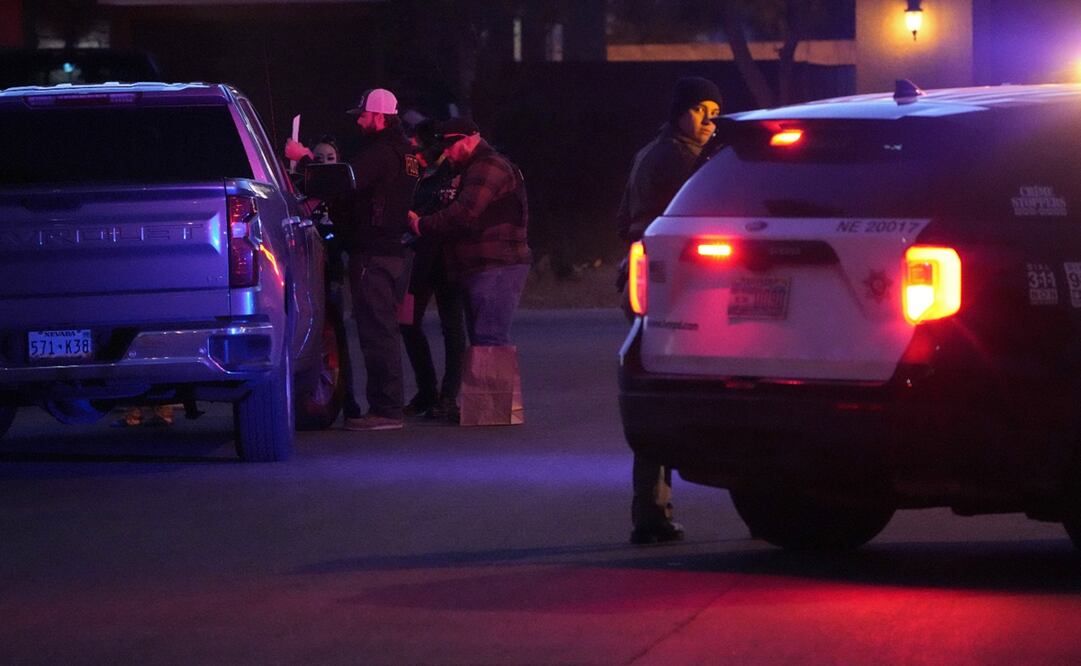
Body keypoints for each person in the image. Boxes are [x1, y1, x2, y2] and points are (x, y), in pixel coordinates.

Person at [616, 76, 722, 545]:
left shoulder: (647, 153)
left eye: (714, 111)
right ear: (680, 111)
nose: (708, 120)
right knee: (672, 398)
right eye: (699, 109)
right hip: (674, 286)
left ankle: (651, 509)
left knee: (657, 389)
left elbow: (623, 221)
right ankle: (653, 511)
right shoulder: (680, 159)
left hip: (649, 279)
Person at [288, 88, 419, 431]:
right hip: (395, 252)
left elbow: (341, 181)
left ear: (378, 116)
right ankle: (387, 406)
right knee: (385, 330)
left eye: (363, 115)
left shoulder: (380, 153)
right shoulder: (405, 153)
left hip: (373, 254)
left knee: (376, 332)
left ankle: (386, 411)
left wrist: (303, 159)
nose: (359, 121)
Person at [408, 118, 531, 349]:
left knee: (489, 340)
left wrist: (421, 225)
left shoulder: (488, 167)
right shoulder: (475, 168)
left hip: (496, 265)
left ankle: (492, 386)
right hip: (487, 265)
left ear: (466, 140)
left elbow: (464, 212)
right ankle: (487, 385)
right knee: (484, 340)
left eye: (449, 147)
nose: (448, 154)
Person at [285, 133, 365, 422]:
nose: (324, 165)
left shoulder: (341, 194)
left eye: (330, 159)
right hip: (301, 278)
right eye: (318, 160)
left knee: (336, 339)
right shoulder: (297, 194)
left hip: (328, 274)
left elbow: (340, 232)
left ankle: (349, 399)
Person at [400, 120, 466, 420]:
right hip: (418, 259)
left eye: (418, 146)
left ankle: (448, 395)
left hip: (447, 259)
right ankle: (426, 390)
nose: (415, 151)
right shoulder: (414, 173)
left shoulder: (452, 172)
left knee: (452, 327)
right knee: (408, 322)